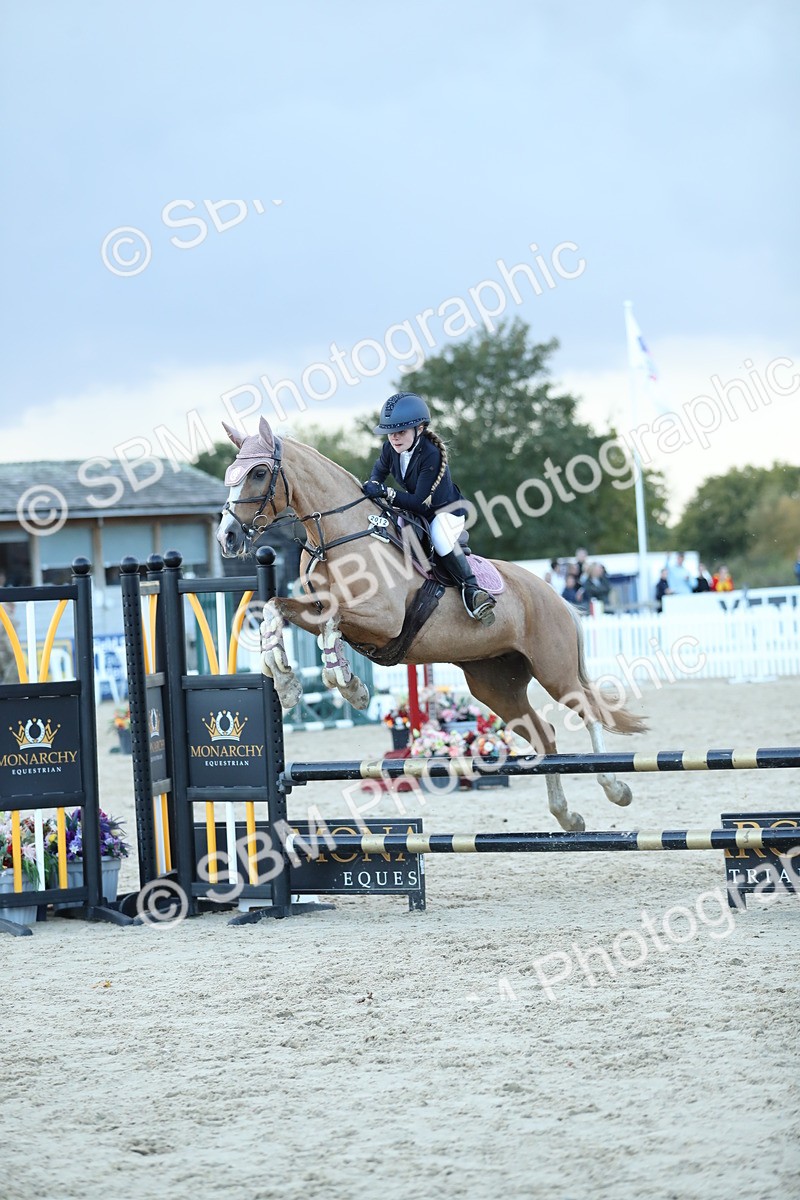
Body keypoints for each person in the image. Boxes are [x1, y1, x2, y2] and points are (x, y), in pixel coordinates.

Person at [362, 392, 496, 624]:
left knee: (440, 538)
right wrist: (373, 484)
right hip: (417, 511)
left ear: (420, 428)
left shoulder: (430, 455)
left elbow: (417, 501)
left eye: (401, 432)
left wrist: (386, 492)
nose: (394, 438)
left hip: (445, 512)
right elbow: (377, 474)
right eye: (390, 432)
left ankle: (472, 591)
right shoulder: (389, 449)